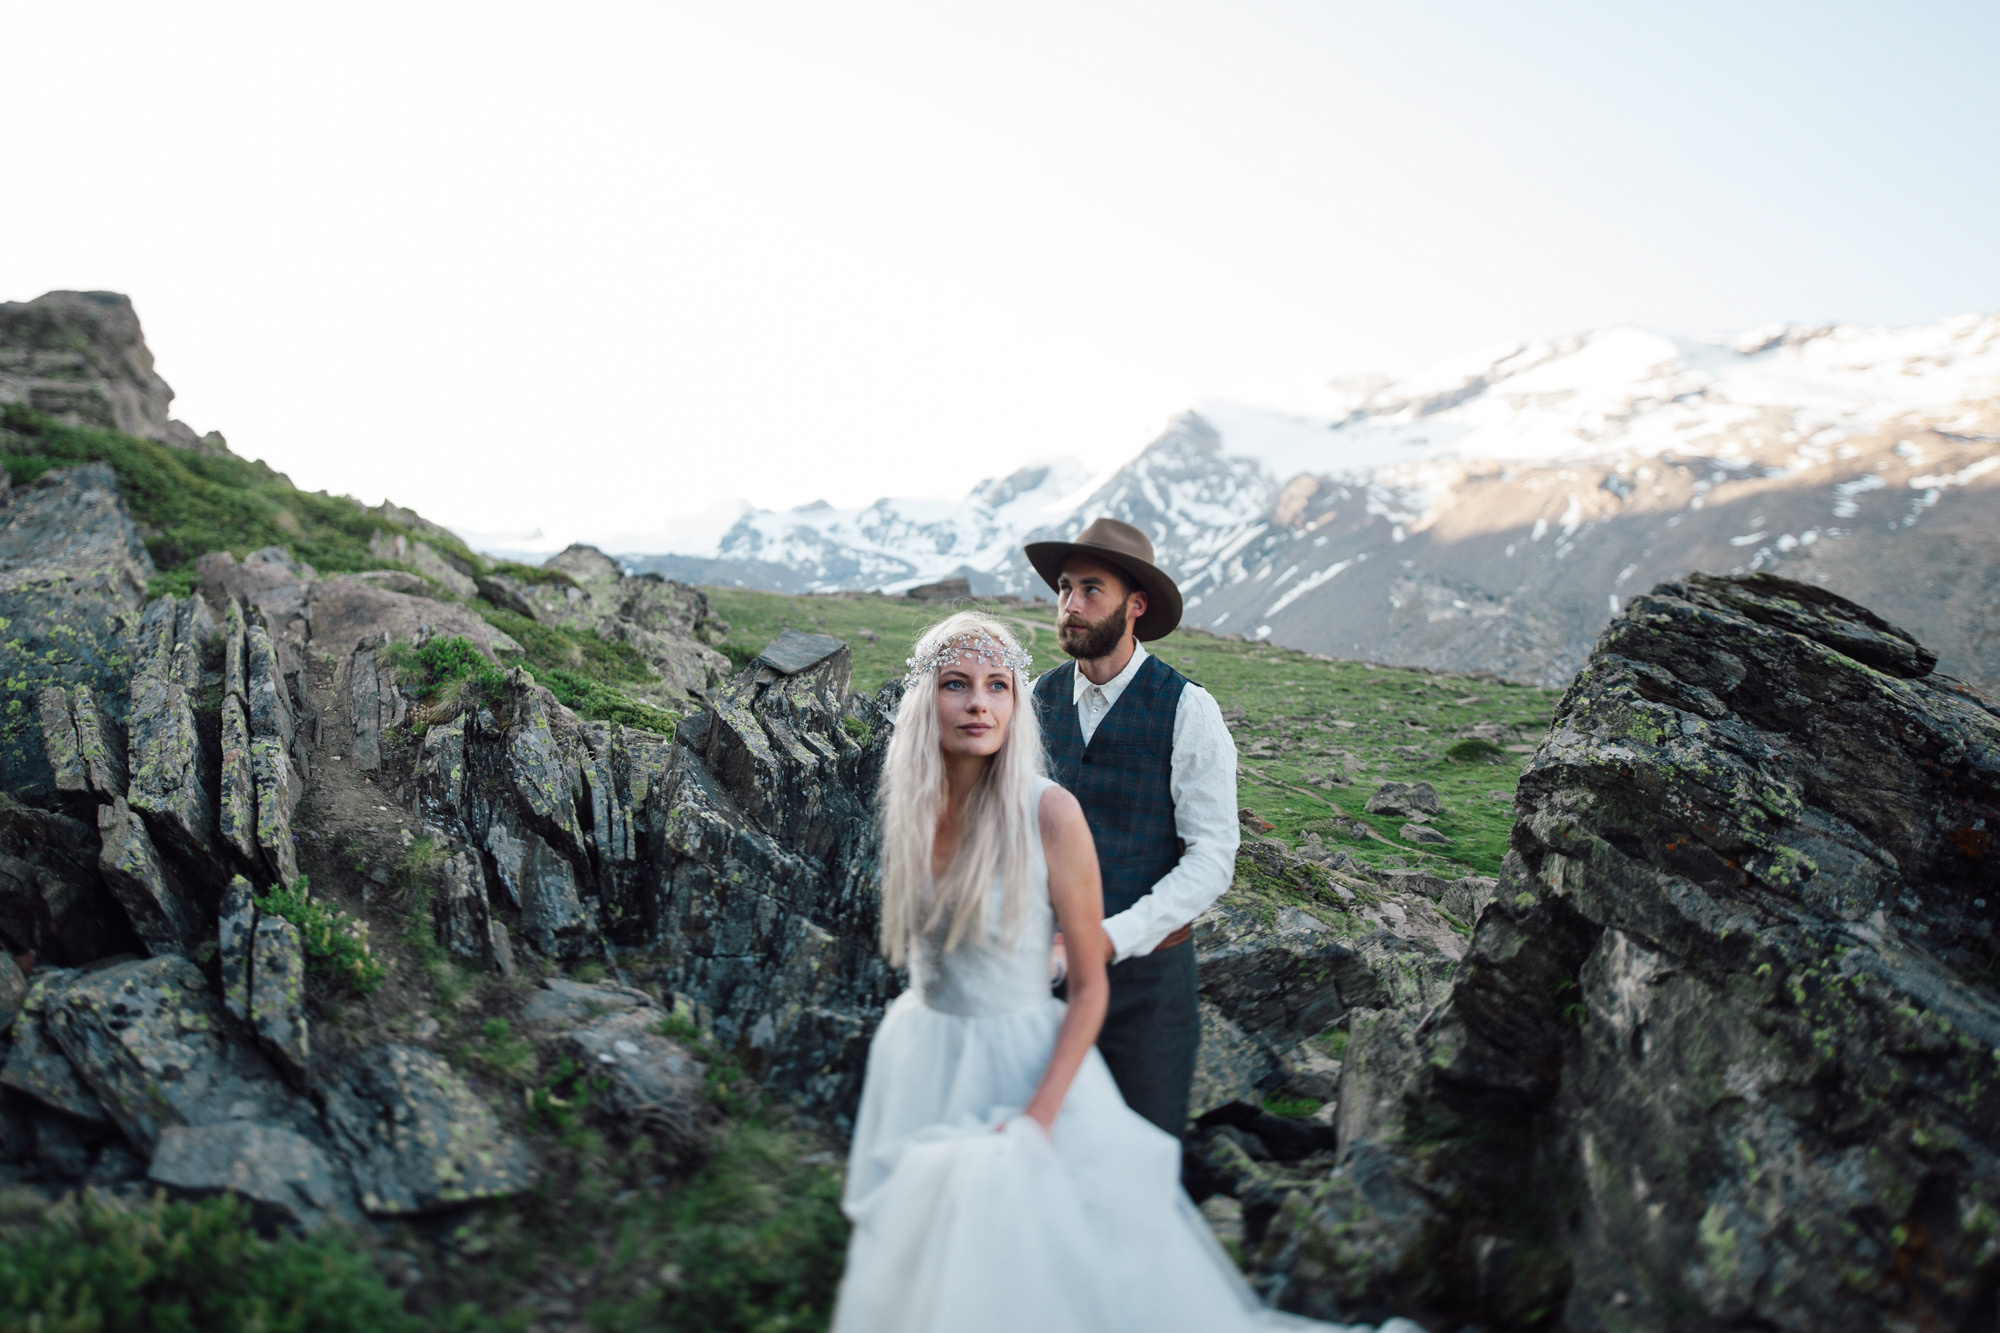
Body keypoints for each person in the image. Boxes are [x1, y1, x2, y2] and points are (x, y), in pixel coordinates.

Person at [831, 613, 1407, 1332]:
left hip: (1027, 1052)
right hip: (922, 1055)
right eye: (956, 684)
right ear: (927, 699)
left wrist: (1041, 1116)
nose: (978, 702)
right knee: (931, 1257)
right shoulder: (910, 810)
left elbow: (1184, 884)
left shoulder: (1053, 807)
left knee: (1065, 1257)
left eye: (995, 686)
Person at [1022, 516, 1236, 1139]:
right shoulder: (1038, 697)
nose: (1070, 605)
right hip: (1043, 979)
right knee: (1044, 1150)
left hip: (1147, 993)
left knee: (1140, 1161)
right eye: (1064, 588)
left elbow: (1212, 857)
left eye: (1091, 590)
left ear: (1135, 606)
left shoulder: (1188, 708)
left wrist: (1114, 937)